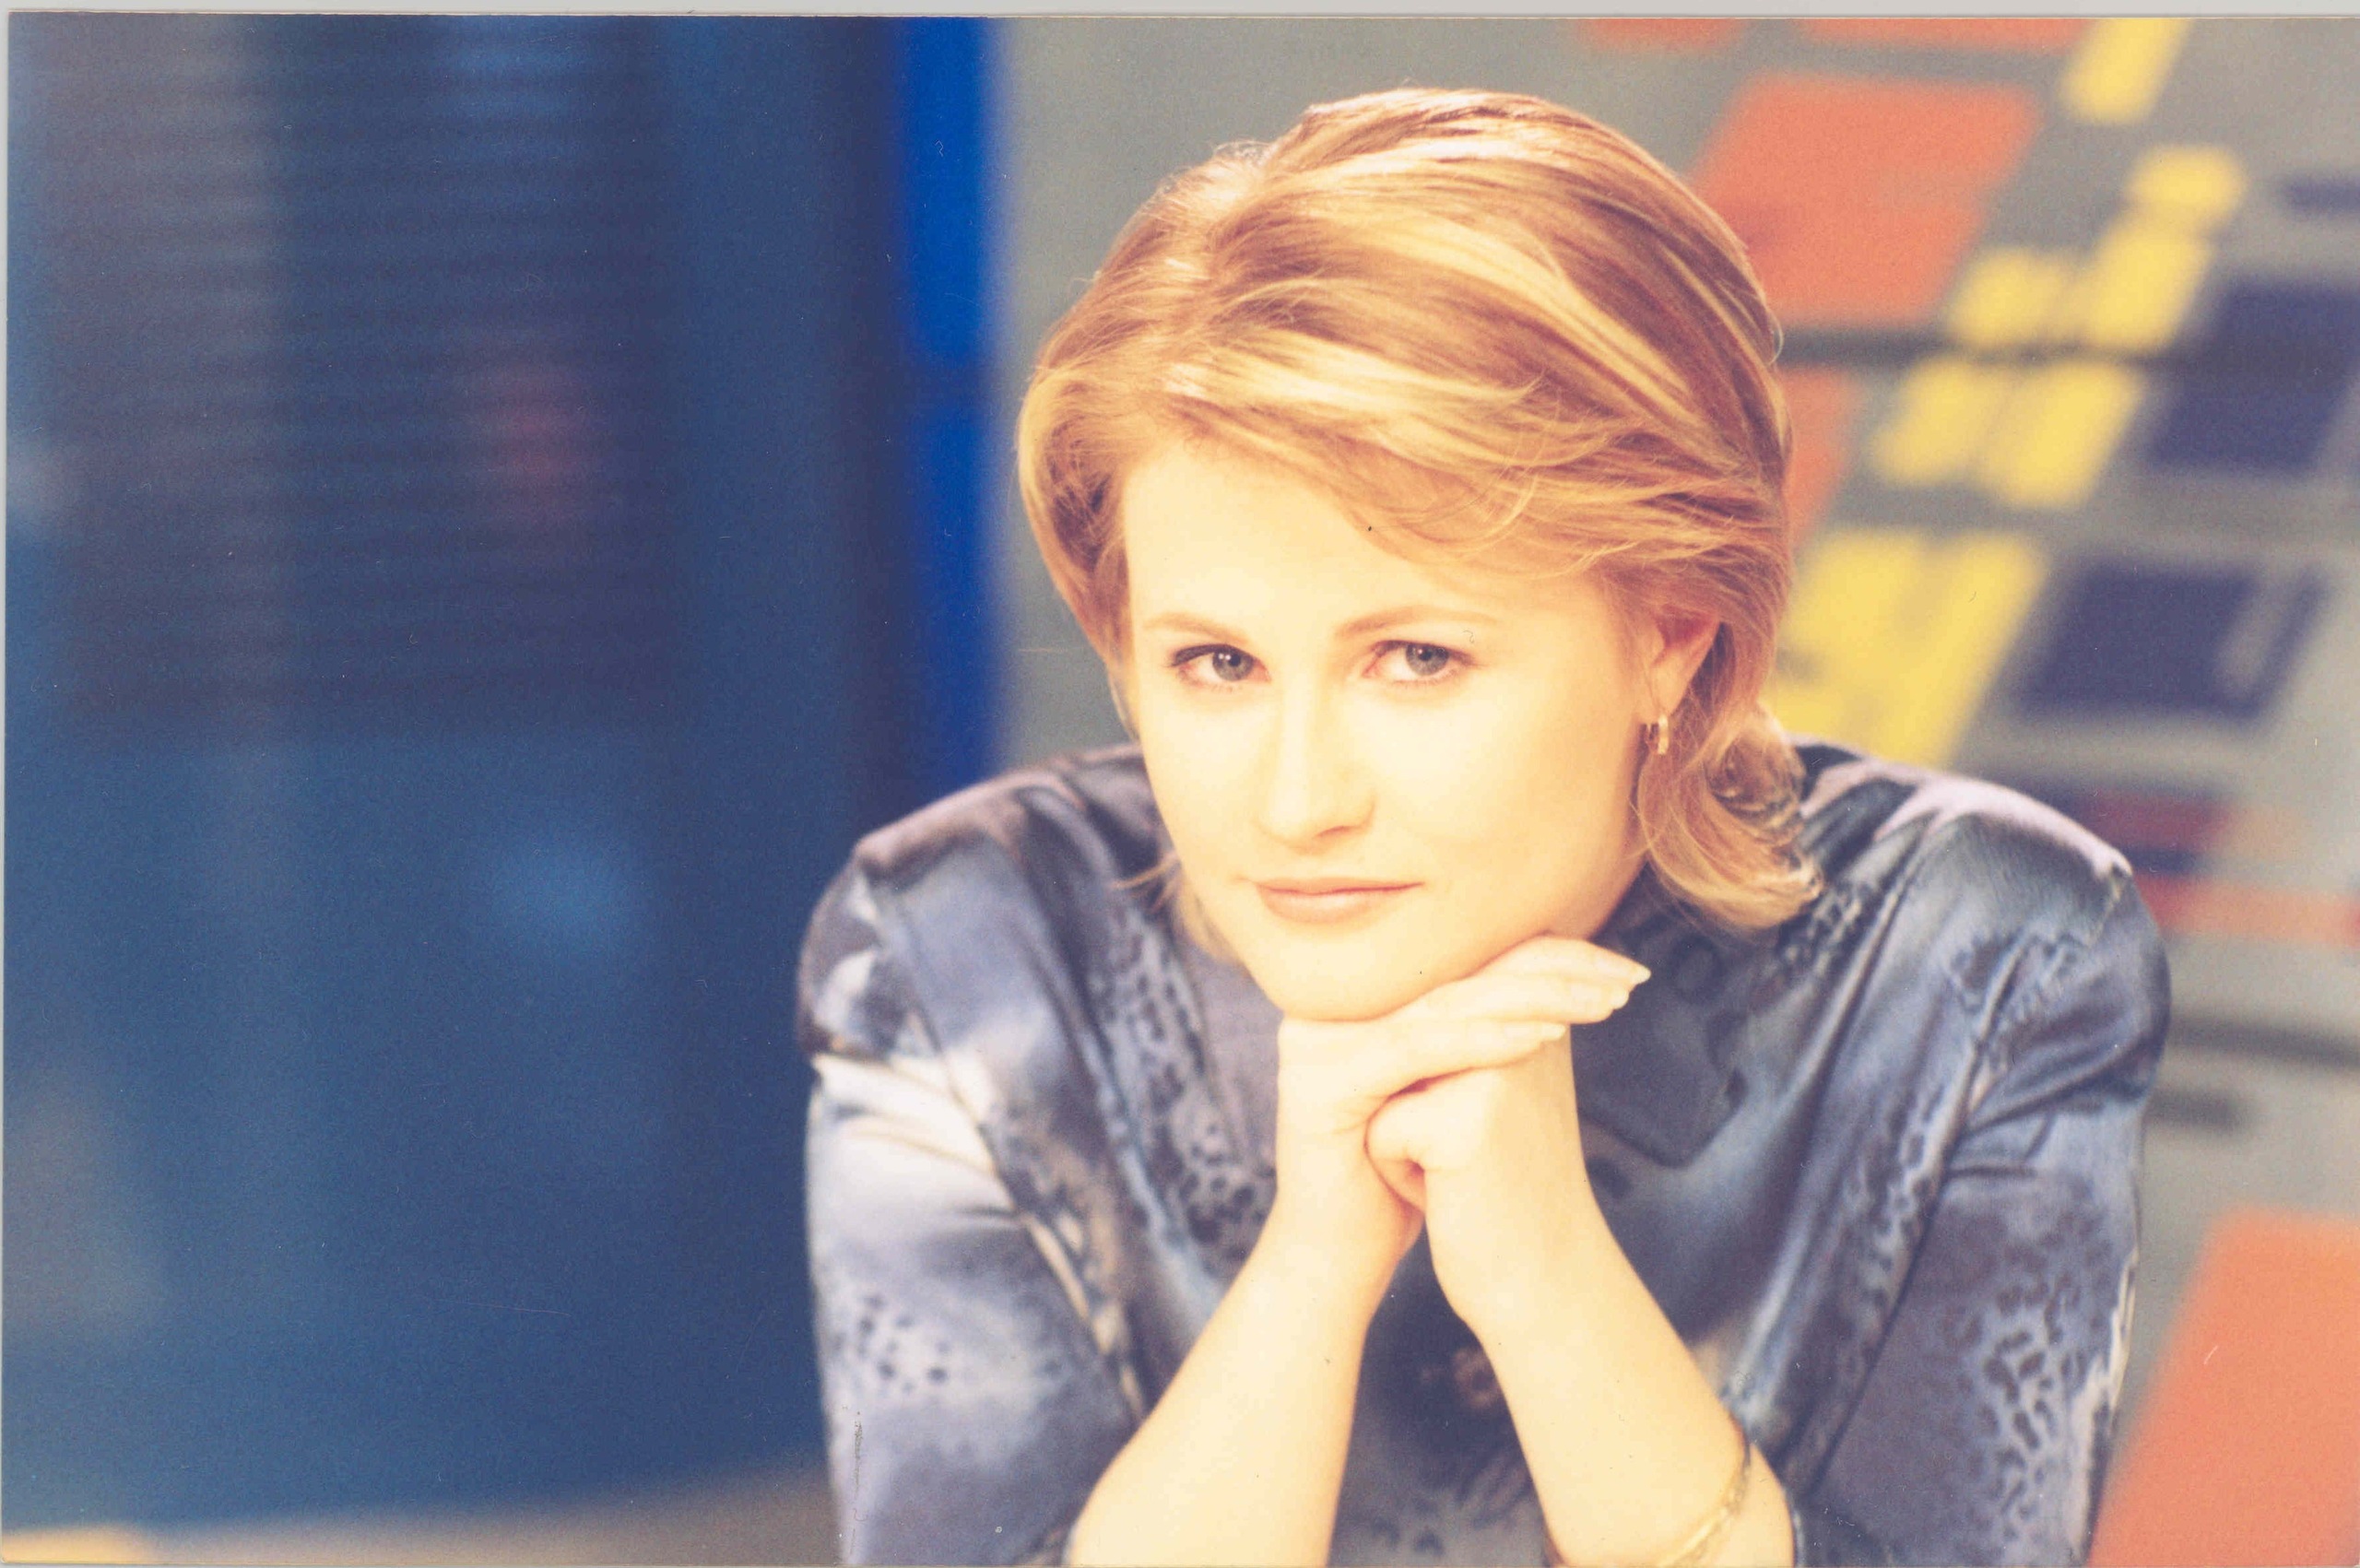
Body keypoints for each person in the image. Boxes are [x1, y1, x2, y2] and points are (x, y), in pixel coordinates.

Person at [796, 88, 2168, 1567]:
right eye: (1219, 663)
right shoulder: (963, 953)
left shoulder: (1984, 958)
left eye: (1418, 657)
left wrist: (1548, 1276)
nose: (1298, 802)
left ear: (1674, 634)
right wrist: (1312, 1271)